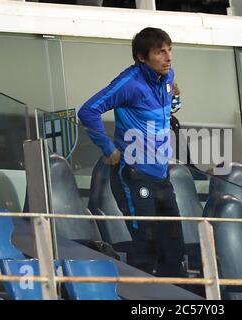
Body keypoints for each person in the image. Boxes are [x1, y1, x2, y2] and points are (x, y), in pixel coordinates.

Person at [78, 27, 186, 277]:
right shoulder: (128, 83)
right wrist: (108, 149)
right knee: (145, 248)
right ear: (141, 57)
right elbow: (88, 111)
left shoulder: (168, 78)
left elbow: (165, 110)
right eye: (160, 52)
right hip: (133, 175)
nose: (168, 57)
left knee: (174, 249)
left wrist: (176, 100)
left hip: (161, 176)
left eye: (170, 50)